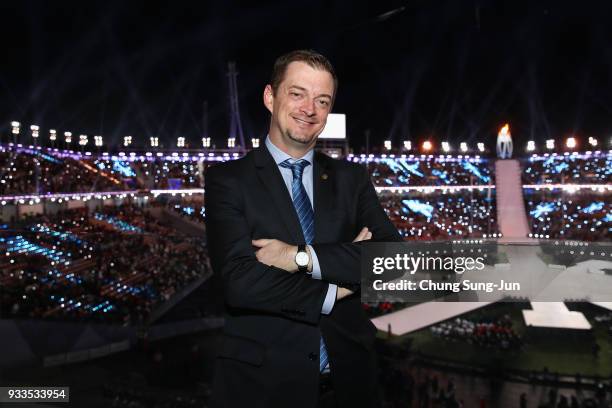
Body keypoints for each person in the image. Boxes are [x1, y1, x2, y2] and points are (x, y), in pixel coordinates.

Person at [206, 49, 402, 408]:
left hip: (352, 385)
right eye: (297, 94)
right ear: (270, 97)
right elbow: (241, 282)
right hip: (263, 387)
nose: (309, 109)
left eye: (322, 100)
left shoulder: (352, 178)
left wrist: (300, 257)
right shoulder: (228, 181)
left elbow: (394, 259)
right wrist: (338, 288)